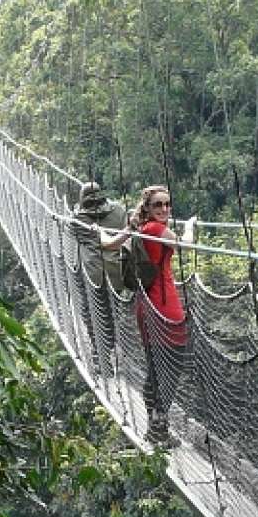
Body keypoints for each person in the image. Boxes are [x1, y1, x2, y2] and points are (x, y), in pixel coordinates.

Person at [101, 184, 194, 444]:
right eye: (158, 205)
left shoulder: (139, 228)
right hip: (164, 308)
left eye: (167, 204)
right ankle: (158, 428)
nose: (164, 209)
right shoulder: (155, 229)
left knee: (156, 369)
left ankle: (156, 428)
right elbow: (186, 244)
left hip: (146, 307)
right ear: (148, 208)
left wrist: (101, 232)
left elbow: (108, 244)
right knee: (171, 369)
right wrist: (190, 227)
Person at [70, 182, 128, 373]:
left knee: (92, 314)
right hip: (116, 273)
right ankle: (107, 353)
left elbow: (74, 233)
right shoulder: (119, 211)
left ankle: (100, 356)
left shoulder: (78, 219)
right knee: (112, 314)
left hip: (93, 275)